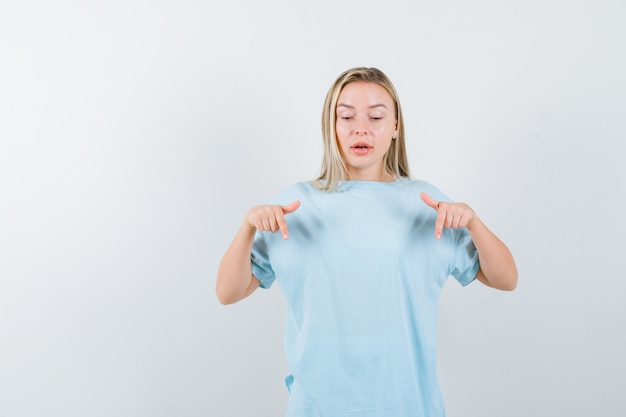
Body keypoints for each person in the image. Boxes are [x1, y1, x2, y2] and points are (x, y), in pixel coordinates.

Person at [216, 67, 517, 417]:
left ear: (395, 127)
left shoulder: (428, 203)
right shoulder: (293, 206)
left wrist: (474, 222)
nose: (361, 128)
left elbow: (505, 279)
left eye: (376, 116)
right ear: (331, 125)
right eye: (346, 116)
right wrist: (247, 227)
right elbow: (228, 292)